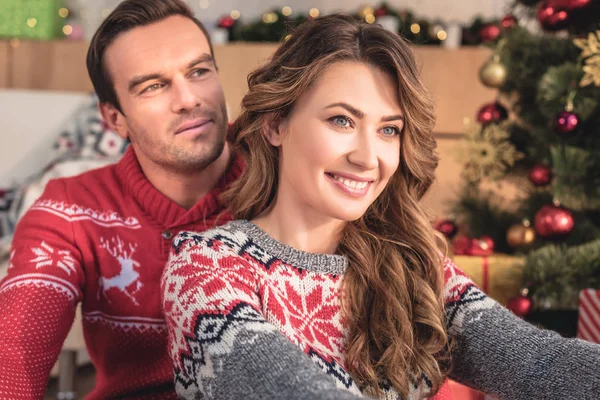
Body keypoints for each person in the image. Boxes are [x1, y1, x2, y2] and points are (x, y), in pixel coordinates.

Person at [161, 14, 600, 400]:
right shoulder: (204, 268)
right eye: (342, 121)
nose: (369, 158)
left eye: (389, 130)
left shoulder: (414, 263)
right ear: (276, 123)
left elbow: (541, 363)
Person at [0, 0, 243, 398]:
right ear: (115, 119)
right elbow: (15, 353)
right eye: (153, 86)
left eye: (199, 71)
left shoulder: (286, 178)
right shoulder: (70, 208)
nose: (188, 98)